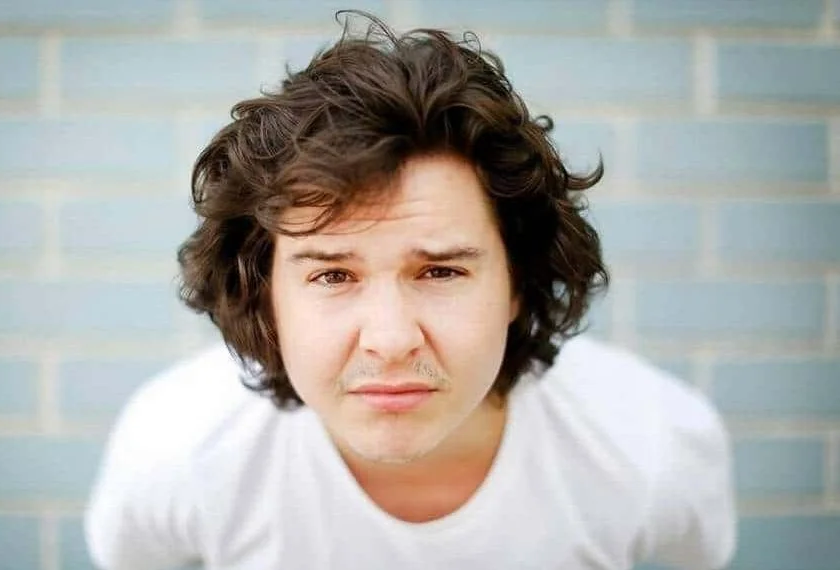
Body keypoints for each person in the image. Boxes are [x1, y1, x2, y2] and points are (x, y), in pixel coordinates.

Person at [84, 13, 736, 570]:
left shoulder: (652, 446)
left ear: (518, 281)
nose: (391, 341)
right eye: (333, 275)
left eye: (441, 272)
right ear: (266, 296)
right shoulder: (175, 451)